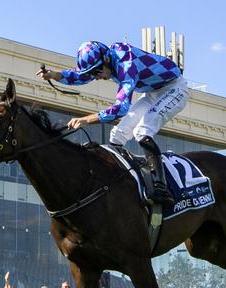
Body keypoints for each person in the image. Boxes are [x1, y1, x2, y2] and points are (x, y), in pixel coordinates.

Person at [37, 41, 189, 207]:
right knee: (117, 135)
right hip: (152, 92)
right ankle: (120, 182)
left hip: (174, 89)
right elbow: (81, 76)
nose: (96, 77)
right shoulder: (106, 60)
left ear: (106, 60)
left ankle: (162, 188)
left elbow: (121, 109)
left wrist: (86, 119)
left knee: (142, 132)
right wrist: (54, 75)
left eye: (96, 72)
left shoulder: (126, 63)